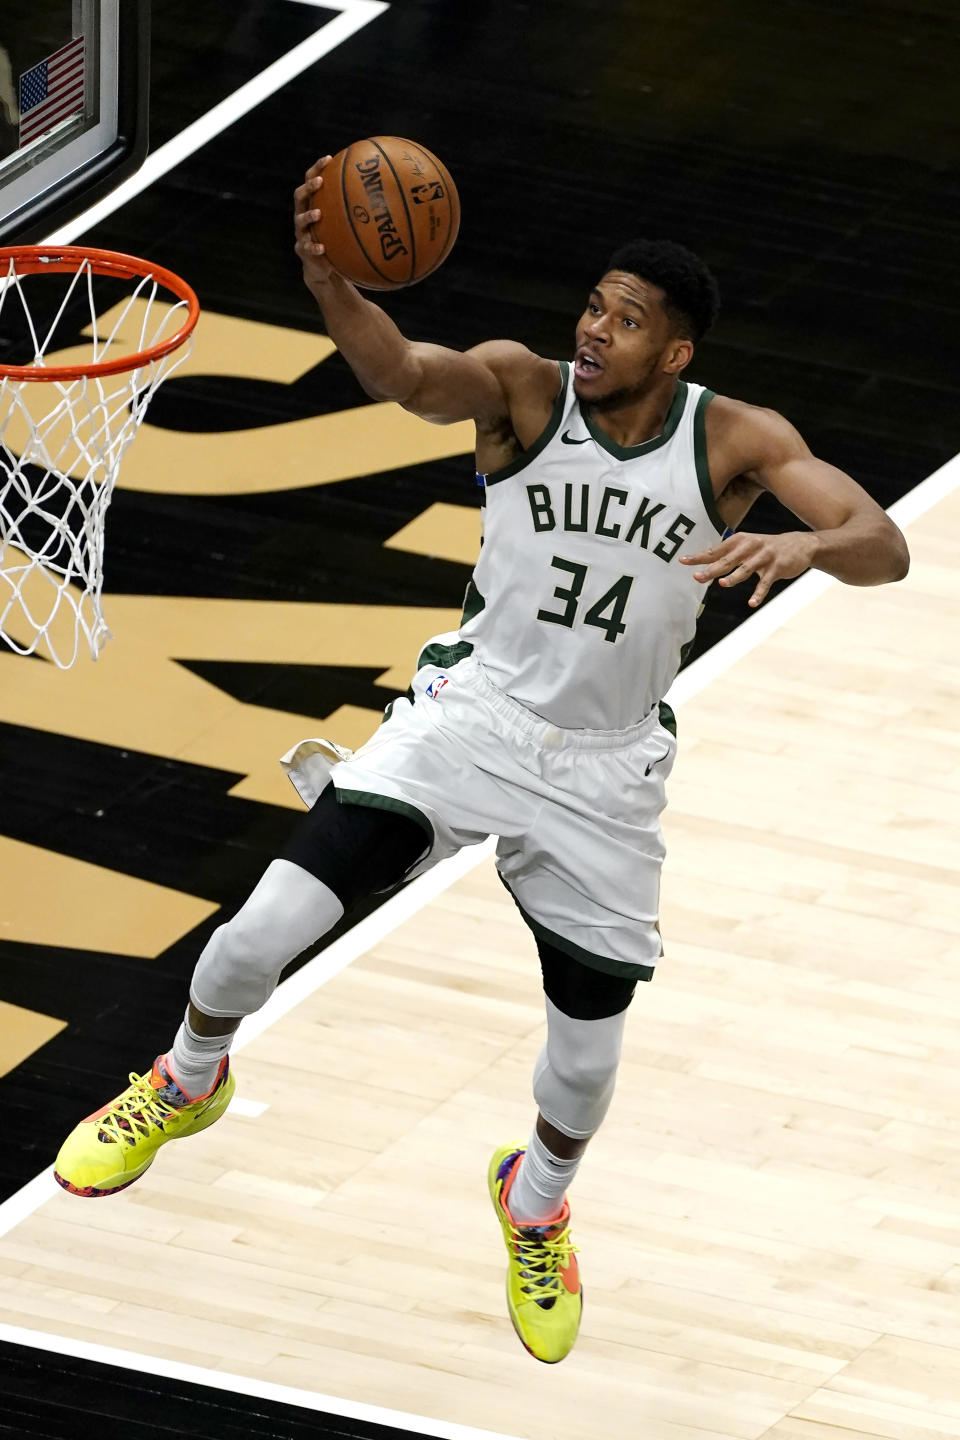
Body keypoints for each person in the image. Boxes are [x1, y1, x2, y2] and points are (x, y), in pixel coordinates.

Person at [53, 155, 910, 1365]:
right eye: (595, 305)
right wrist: (330, 283)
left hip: (608, 773)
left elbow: (883, 543)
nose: (596, 328)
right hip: (474, 720)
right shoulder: (520, 388)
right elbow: (404, 374)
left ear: (676, 354)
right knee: (254, 934)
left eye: (627, 320)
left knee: (586, 1067)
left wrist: (810, 551)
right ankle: (187, 1082)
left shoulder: (736, 438)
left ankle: (535, 1205)